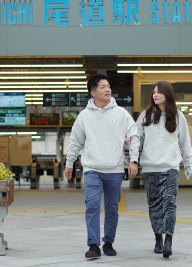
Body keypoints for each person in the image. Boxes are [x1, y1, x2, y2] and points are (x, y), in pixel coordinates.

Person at [64, 74, 140, 259]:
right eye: (103, 87)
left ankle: (108, 243)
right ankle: (93, 245)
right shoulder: (84, 116)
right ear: (93, 92)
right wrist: (69, 164)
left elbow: (134, 136)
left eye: (109, 86)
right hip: (92, 169)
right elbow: (75, 142)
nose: (108, 90)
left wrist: (134, 160)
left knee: (112, 208)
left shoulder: (121, 113)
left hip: (114, 169)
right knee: (91, 206)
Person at [133, 81, 192, 258]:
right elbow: (136, 139)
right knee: (154, 206)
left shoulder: (178, 116)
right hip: (151, 169)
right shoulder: (145, 116)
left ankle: (168, 239)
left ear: (168, 94)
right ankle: (158, 238)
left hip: (170, 168)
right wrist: (134, 160)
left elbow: (185, 143)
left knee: (169, 204)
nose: (155, 95)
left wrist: (188, 164)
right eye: (153, 92)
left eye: (159, 92)